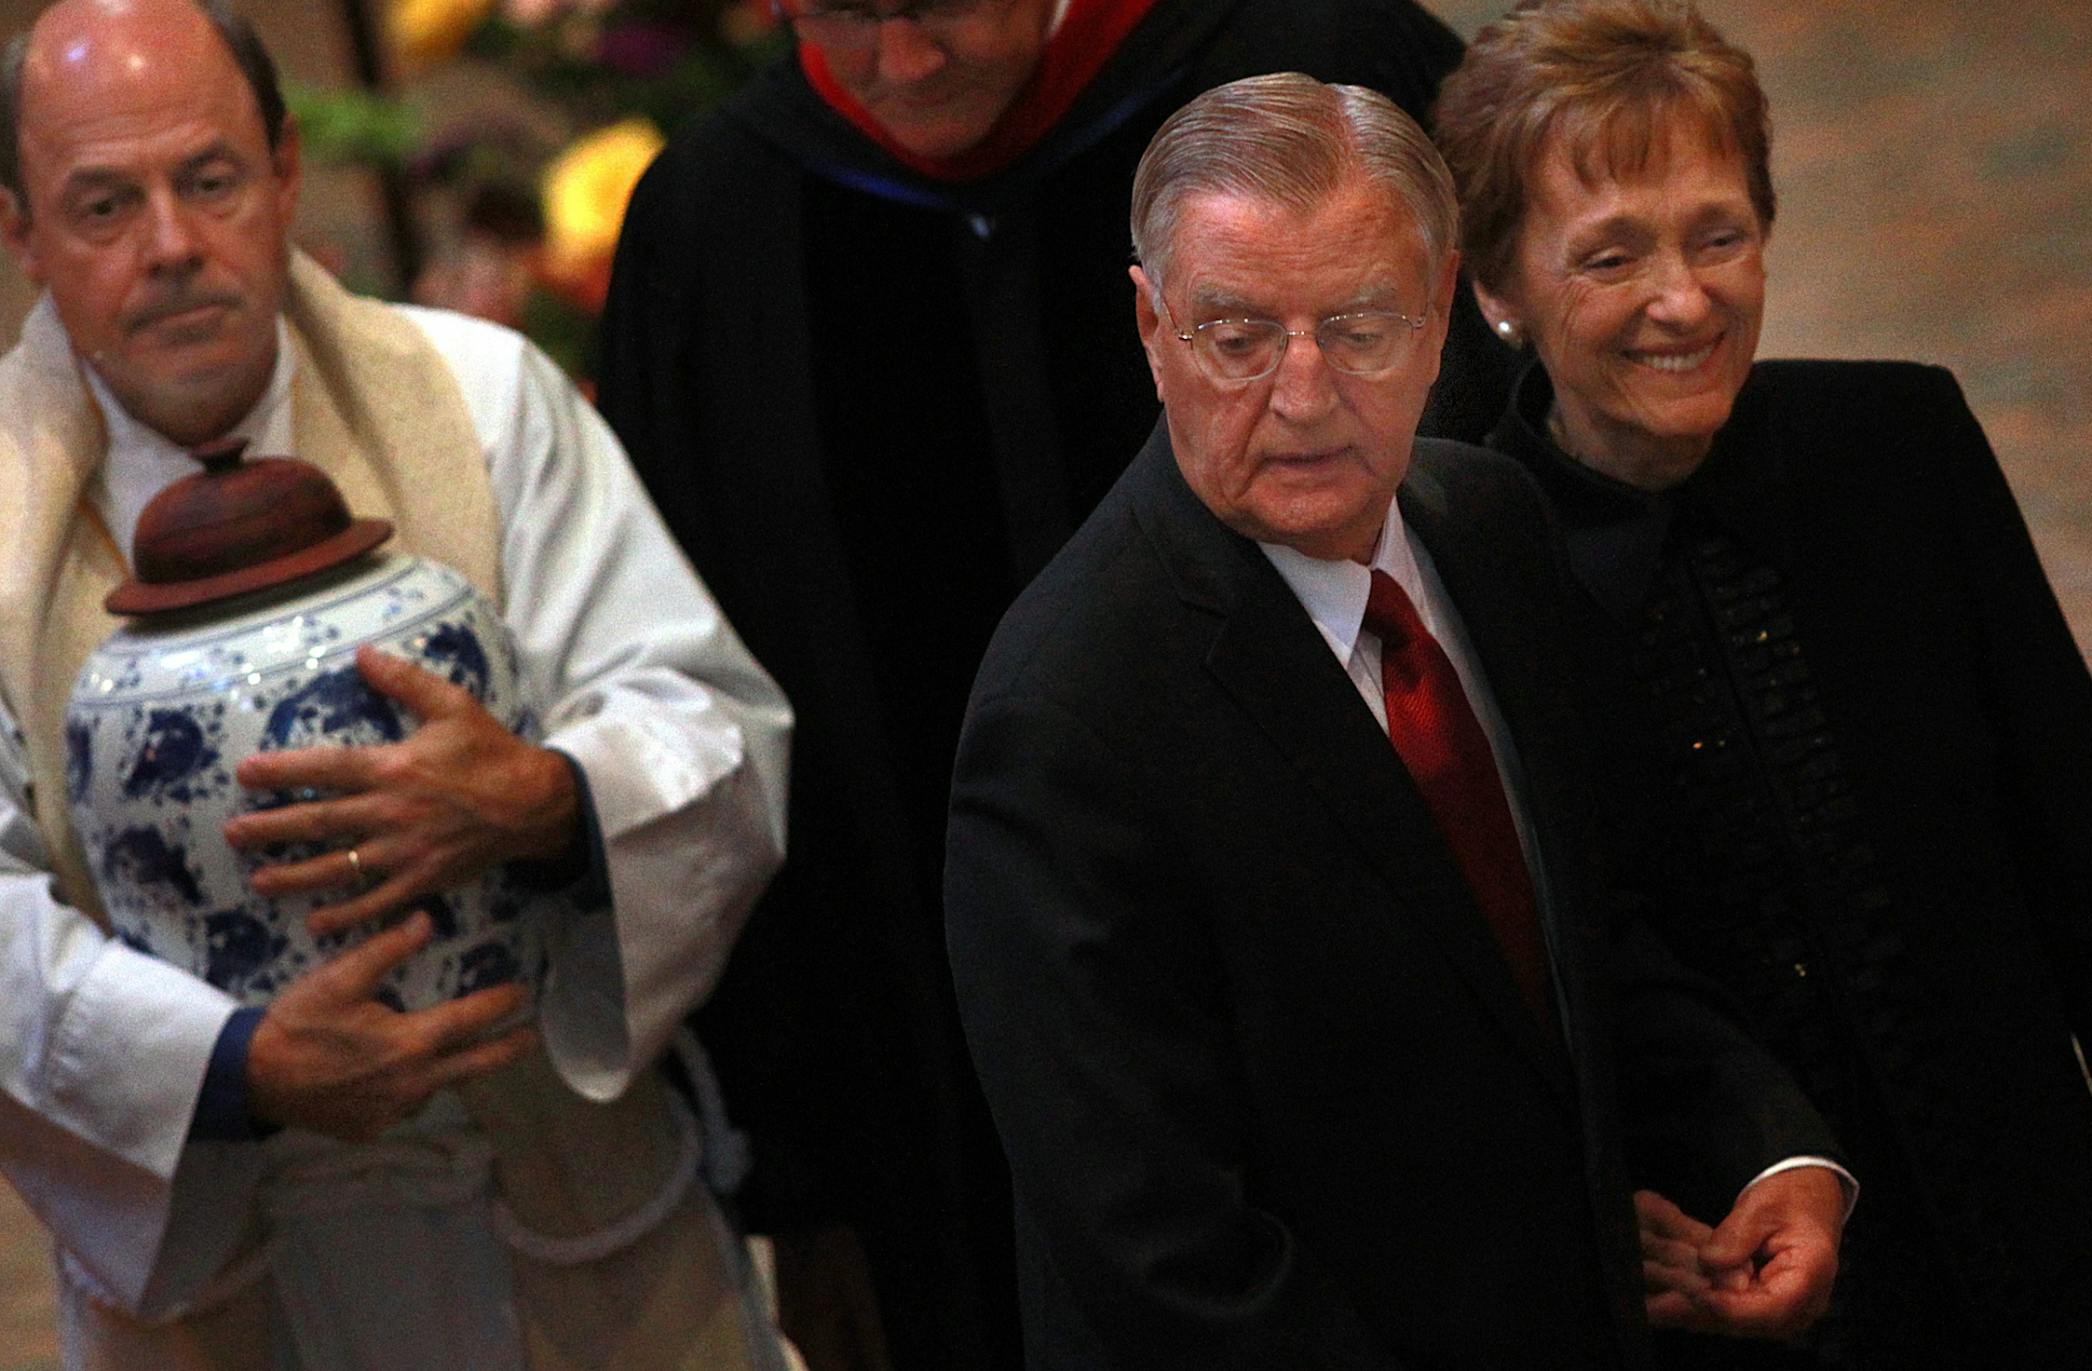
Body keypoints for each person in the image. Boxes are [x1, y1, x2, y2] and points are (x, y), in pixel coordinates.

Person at [592, 1, 1516, 1364]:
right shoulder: (714, 230)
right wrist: (809, 1182)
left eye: (942, 3)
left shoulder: (1320, 80)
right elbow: (709, 726)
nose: (904, 64)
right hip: (942, 1138)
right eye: (846, 12)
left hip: (1407, 1110)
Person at [943, 71, 1854, 1369]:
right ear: (1152, 328)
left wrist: (1769, 1143)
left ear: (1441, 319)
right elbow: (1161, 1252)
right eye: (1238, 336)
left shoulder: (1486, 528)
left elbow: (1583, 943)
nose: (1305, 395)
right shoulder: (1067, 719)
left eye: (1362, 326)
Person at [0, 2, 794, 1367]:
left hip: (568, 1223)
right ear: (20, 234)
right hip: (219, 1257)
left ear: (287, 170)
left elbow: (700, 719)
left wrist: (547, 799)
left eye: (209, 180)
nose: (174, 247)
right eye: (103, 206)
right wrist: (233, 1064)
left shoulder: (484, 405)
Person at [1429, 2, 2092, 1366]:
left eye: (1720, 234)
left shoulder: (1901, 444)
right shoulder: (1469, 566)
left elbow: (2090, 843)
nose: (1685, 299)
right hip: (1736, 1299)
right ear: (1495, 287)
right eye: (1612, 254)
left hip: (2022, 1237)